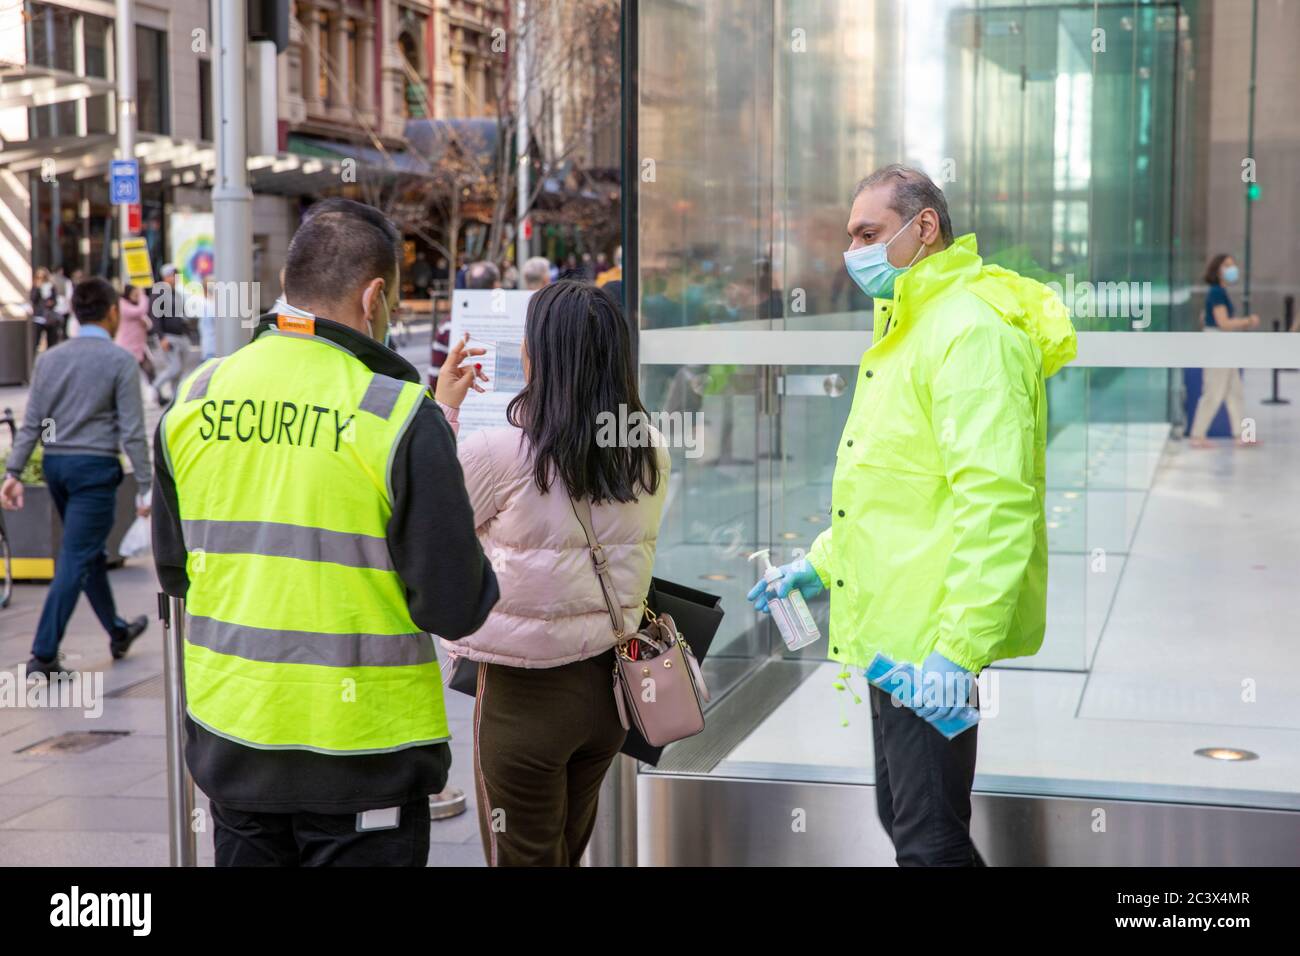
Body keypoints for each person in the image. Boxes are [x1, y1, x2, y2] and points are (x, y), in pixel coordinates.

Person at [151, 198, 498, 867]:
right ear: (374, 296)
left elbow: (175, 575)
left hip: (235, 742)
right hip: (362, 758)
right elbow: (453, 604)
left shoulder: (193, 399)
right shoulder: (397, 414)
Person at [747, 164, 1077, 867]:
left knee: (930, 843)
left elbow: (997, 504)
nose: (853, 252)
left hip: (928, 638)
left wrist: (956, 651)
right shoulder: (908, 330)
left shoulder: (969, 333)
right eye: (850, 236)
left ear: (923, 227)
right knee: (906, 821)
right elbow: (890, 494)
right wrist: (819, 565)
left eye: (868, 233)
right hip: (892, 634)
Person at [434, 280, 669, 867]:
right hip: (610, 695)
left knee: (525, 857)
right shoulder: (649, 450)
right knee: (565, 848)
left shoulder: (501, 452)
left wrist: (446, 408)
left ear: (540, 355)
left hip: (525, 699)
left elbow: (430, 519)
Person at [1, 278, 152, 678]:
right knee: (75, 557)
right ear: (112, 313)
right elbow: (133, 431)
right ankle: (44, 654)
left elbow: (33, 423)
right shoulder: (119, 361)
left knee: (88, 554)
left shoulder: (50, 359)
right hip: (94, 471)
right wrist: (147, 486)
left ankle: (117, 631)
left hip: (57, 468)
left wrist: (14, 472)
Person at [1189, 253, 1258, 448]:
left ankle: (1241, 435)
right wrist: (1248, 321)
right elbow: (1223, 323)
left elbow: (1206, 318)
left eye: (1233, 265)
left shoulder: (1218, 292)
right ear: (1218, 270)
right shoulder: (1217, 293)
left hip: (1225, 347)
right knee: (1213, 391)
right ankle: (1197, 435)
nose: (1232, 268)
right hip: (1219, 347)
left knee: (1235, 392)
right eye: (1227, 265)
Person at [150, 264, 191, 405]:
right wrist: (161, 337)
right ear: (166, 276)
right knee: (175, 367)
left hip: (181, 336)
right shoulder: (159, 292)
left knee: (180, 371)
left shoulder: (177, 294)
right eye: (173, 275)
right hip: (169, 336)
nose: (175, 278)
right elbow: (155, 316)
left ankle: (175, 399)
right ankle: (155, 386)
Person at [115, 284, 155, 382]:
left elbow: (148, 324)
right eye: (135, 295)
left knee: (150, 371)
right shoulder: (123, 305)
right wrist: (142, 295)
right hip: (127, 347)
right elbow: (140, 311)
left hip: (140, 348)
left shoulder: (136, 305)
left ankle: (155, 394)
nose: (137, 297)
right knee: (130, 375)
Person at [29, 267, 60, 354]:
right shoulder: (35, 287)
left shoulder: (51, 287)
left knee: (52, 340)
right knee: (36, 340)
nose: (41, 279)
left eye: (43, 277)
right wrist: (38, 288)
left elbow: (55, 300)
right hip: (38, 317)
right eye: (39, 277)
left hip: (49, 317)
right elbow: (33, 299)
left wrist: (51, 303)